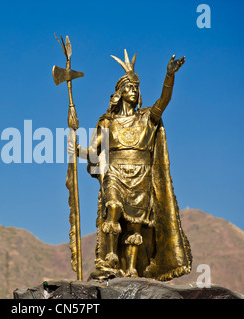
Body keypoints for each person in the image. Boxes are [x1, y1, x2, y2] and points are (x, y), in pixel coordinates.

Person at [69, 50, 192, 281]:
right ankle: (109, 259)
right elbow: (93, 152)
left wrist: (169, 76)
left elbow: (163, 101)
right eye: (130, 87)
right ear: (120, 92)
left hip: (141, 175)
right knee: (113, 207)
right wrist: (77, 151)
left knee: (136, 226)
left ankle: (131, 271)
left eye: (136, 88)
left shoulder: (147, 118)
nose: (134, 91)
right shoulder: (107, 122)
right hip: (115, 173)